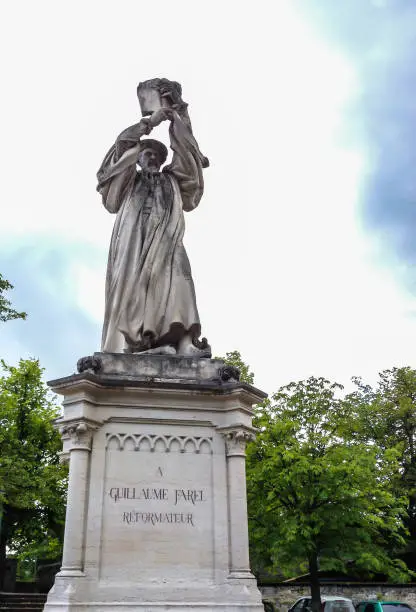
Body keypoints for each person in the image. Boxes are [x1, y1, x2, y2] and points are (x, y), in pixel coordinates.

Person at [96, 90, 210, 357]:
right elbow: (122, 145)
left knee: (180, 281)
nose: (153, 158)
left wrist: (180, 118)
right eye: (147, 153)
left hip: (168, 240)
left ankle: (183, 342)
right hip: (133, 241)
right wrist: (152, 120)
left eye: (158, 155)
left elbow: (188, 160)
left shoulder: (172, 180)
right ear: (137, 158)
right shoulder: (127, 182)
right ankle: (132, 343)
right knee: (132, 285)